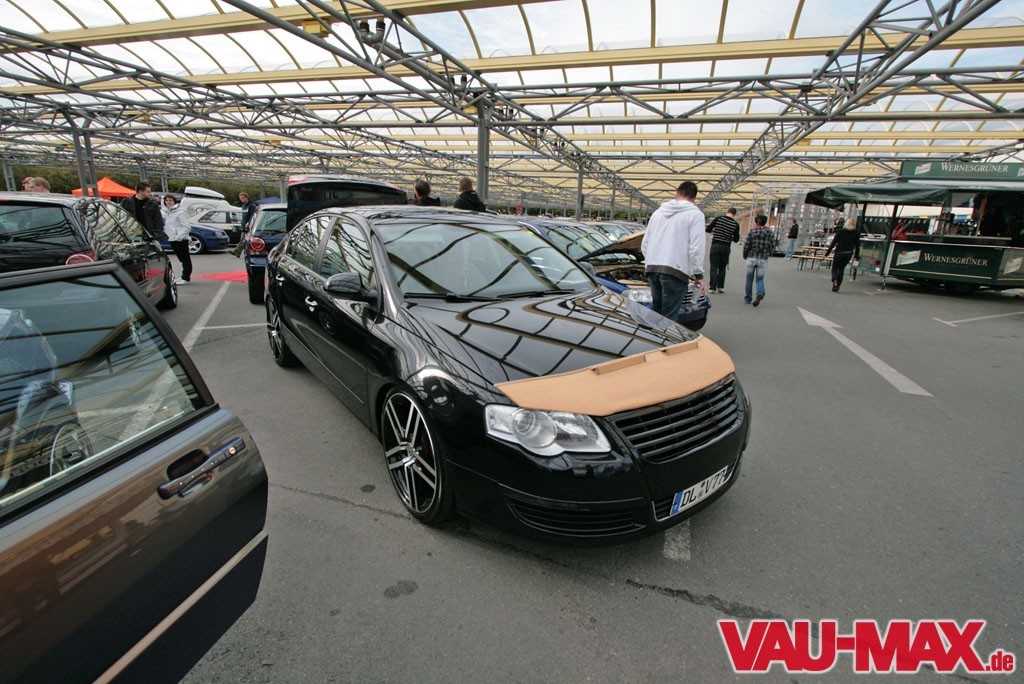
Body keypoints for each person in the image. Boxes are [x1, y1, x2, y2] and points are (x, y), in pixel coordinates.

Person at [641, 181, 706, 319]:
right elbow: (696, 248)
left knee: (656, 314)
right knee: (668, 319)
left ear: (676, 193)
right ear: (694, 198)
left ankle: (654, 333)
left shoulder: (658, 213)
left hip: (652, 268)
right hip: (675, 271)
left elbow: (645, 243)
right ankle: (665, 333)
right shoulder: (696, 215)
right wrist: (698, 275)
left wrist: (650, 260)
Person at [743, 214, 776, 307]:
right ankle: (760, 292)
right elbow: (772, 246)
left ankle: (748, 298)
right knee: (760, 279)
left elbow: (747, 245)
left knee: (749, 279)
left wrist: (745, 255)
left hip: (751, 257)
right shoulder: (770, 232)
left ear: (756, 222)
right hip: (763, 258)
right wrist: (769, 253)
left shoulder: (752, 231)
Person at [705, 207, 740, 293]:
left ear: (727, 212)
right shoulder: (735, 224)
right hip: (726, 247)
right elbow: (736, 239)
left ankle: (712, 287)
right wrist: (730, 237)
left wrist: (715, 232)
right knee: (722, 267)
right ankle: (720, 287)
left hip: (716, 245)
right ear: (734, 214)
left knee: (714, 266)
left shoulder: (718, 219)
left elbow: (708, 229)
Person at [823, 217, 860, 293]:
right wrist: (856, 256)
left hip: (839, 252)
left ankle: (835, 280)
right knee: (841, 269)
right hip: (848, 253)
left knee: (835, 267)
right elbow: (857, 245)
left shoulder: (840, 232)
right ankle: (838, 286)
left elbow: (833, 243)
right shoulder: (855, 233)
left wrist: (827, 253)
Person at [163, 195, 192, 285]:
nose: (168, 202)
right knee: (181, 259)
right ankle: (183, 277)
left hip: (181, 239)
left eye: (170, 200)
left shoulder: (180, 212)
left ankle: (186, 278)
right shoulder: (166, 212)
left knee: (185, 259)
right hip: (172, 238)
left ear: (175, 201)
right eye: (166, 200)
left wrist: (179, 237)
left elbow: (186, 226)